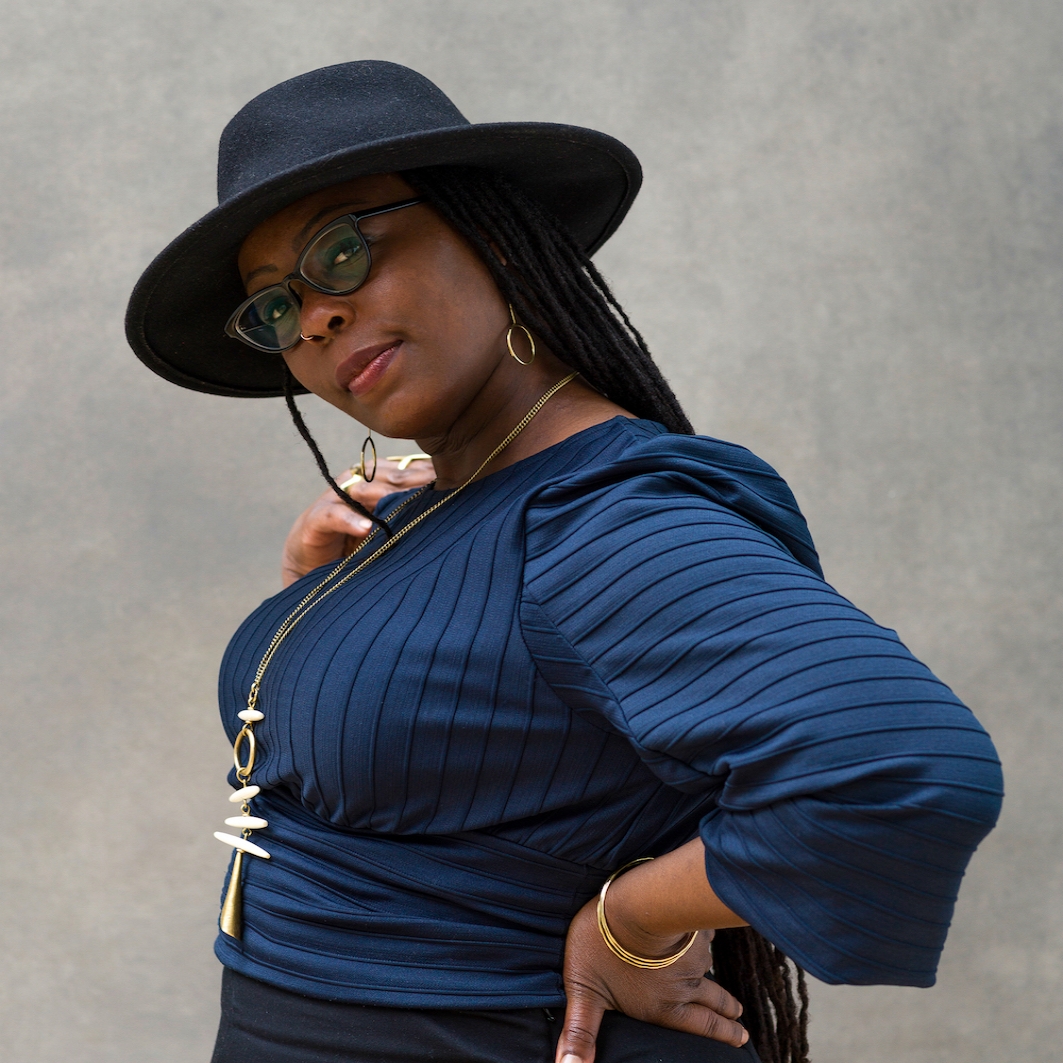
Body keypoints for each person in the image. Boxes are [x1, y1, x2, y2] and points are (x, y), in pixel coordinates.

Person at [125, 61, 1004, 1063]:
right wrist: (323, 608)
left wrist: (631, 921)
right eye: (275, 310)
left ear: (490, 232)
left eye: (341, 250)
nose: (315, 317)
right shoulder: (443, 508)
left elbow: (894, 770)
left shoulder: (601, 518)